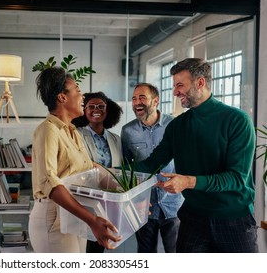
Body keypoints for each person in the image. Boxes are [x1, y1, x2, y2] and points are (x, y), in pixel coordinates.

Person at [135, 58, 258, 253]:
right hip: (193, 220)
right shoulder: (177, 126)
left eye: (180, 85)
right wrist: (106, 172)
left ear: (200, 83)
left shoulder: (237, 120)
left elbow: (236, 178)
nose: (175, 92)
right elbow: (152, 164)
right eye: (174, 86)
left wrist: (188, 182)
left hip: (234, 221)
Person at [28, 67, 121, 253]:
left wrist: (127, 191)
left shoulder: (72, 131)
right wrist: (92, 220)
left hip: (74, 214)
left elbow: (90, 168)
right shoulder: (48, 130)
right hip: (54, 218)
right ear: (62, 97)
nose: (83, 97)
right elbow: (49, 183)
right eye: (78, 90)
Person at [121, 83, 184, 253]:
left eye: (142, 97)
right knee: (145, 253)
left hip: (174, 203)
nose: (137, 102)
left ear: (156, 101)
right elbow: (128, 168)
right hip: (144, 205)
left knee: (176, 253)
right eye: (134, 98)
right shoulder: (127, 131)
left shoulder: (175, 124)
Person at [72, 91, 123, 253]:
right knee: (82, 244)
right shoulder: (76, 134)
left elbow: (119, 170)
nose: (96, 109)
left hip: (109, 199)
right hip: (86, 198)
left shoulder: (116, 139)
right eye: (91, 106)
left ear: (108, 110)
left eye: (101, 106)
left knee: (99, 245)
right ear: (84, 110)